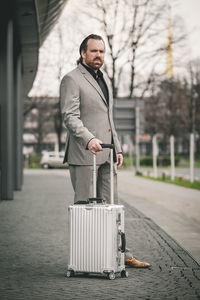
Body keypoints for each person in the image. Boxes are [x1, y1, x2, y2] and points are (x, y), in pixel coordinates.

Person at [60, 34, 150, 268]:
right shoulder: (71, 79)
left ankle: (122, 254)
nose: (98, 55)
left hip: (108, 153)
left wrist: (117, 148)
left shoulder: (105, 79)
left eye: (101, 51)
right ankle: (87, 258)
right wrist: (89, 139)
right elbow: (70, 116)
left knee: (112, 205)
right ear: (83, 53)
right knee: (85, 209)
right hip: (83, 154)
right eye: (94, 51)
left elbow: (108, 118)